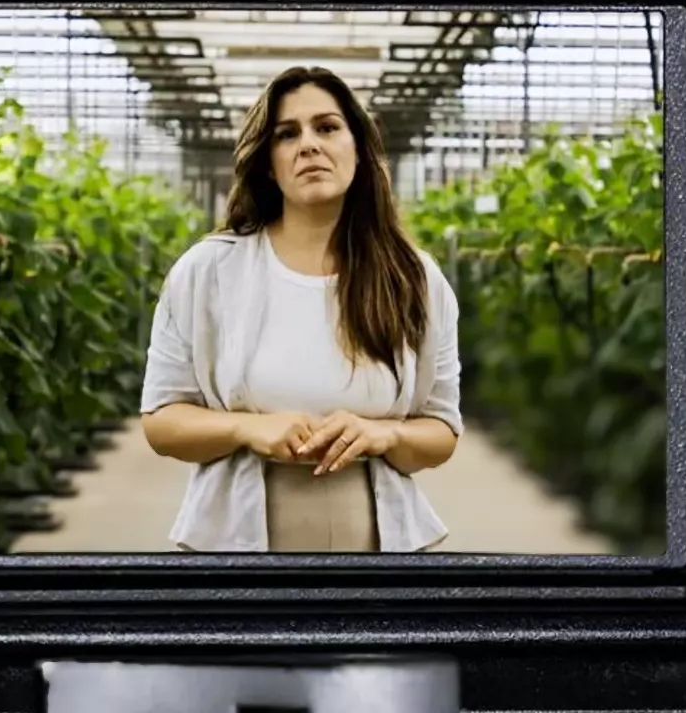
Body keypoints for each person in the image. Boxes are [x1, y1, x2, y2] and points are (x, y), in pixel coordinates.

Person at [139, 67, 463, 553]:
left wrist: (383, 435)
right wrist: (247, 428)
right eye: (287, 135)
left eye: (327, 127)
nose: (309, 145)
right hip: (234, 541)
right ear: (268, 163)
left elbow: (442, 430)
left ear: (359, 147)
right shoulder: (207, 271)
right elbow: (162, 422)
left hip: (375, 537)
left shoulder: (414, 279)